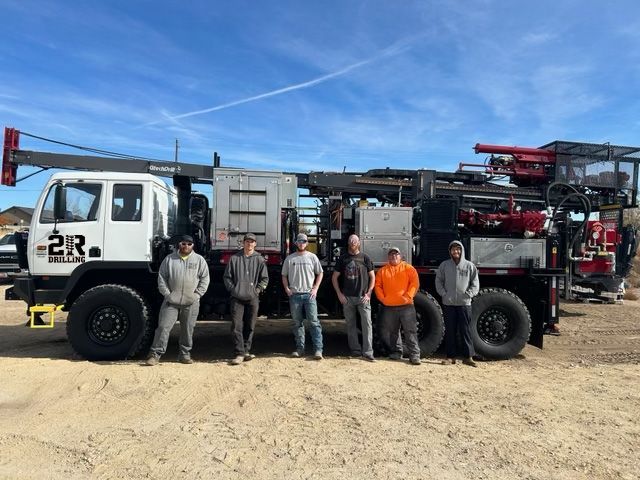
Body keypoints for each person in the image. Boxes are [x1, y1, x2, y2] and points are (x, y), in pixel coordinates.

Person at [146, 234, 210, 366]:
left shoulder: (199, 260)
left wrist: (196, 295)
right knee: (163, 327)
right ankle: (155, 355)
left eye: (189, 244)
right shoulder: (169, 259)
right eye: (183, 243)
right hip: (171, 301)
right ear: (179, 244)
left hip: (191, 301)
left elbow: (205, 279)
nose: (186, 246)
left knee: (187, 329)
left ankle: (184, 354)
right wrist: (167, 295)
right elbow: (162, 278)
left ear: (193, 246)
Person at [223, 233, 269, 365]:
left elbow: (265, 278)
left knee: (250, 325)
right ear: (243, 243)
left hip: (252, 298)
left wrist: (258, 290)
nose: (249, 244)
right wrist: (233, 289)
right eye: (247, 241)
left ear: (255, 244)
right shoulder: (234, 258)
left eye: (252, 242)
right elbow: (227, 277)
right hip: (237, 298)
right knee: (236, 326)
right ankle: (239, 353)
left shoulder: (259, 259)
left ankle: (246, 351)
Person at [331, 234, 376, 362]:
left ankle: (368, 352)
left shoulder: (365, 258)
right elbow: (334, 278)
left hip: (363, 297)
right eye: (351, 240)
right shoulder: (343, 259)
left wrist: (369, 293)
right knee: (351, 325)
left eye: (355, 240)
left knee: (367, 324)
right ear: (348, 243)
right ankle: (355, 351)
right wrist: (339, 294)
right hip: (348, 298)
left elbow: (373, 277)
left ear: (359, 243)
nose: (353, 242)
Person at [374, 246, 422, 365]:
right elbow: (378, 286)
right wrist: (383, 299)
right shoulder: (382, 271)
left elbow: (415, 283)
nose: (393, 256)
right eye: (391, 254)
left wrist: (409, 296)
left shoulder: (408, 268)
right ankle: (396, 352)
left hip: (407, 306)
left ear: (400, 256)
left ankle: (415, 355)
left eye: (396, 254)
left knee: (410, 331)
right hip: (389, 306)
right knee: (393, 332)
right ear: (388, 257)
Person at [435, 240, 480, 367]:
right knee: (450, 330)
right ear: (450, 251)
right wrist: (444, 294)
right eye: (453, 249)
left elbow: (475, 283)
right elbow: (438, 280)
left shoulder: (469, 266)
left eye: (458, 249)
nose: (456, 251)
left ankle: (468, 357)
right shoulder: (444, 265)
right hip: (449, 303)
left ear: (462, 250)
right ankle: (450, 357)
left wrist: (468, 295)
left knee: (466, 330)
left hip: (464, 304)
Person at [282, 233, 324, 360]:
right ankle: (300, 349)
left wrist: (315, 288)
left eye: (304, 241)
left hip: (309, 295)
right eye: (299, 241)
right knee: (297, 323)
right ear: (296, 242)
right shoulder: (290, 259)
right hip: (295, 295)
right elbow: (284, 275)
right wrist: (287, 289)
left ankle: (318, 350)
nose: (302, 243)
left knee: (314, 322)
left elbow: (320, 273)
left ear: (307, 243)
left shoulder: (312, 257)